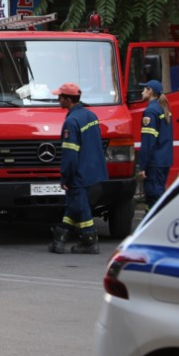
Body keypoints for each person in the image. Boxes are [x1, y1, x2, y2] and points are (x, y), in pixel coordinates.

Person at [47, 83, 108, 254]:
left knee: (81, 207)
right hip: (94, 170)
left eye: (60, 97)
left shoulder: (71, 122)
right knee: (74, 204)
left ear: (68, 100)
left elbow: (70, 154)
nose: (58, 100)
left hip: (79, 173)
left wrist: (65, 177)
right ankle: (60, 238)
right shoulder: (91, 115)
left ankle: (90, 241)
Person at [138, 79, 173, 210]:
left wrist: (142, 166)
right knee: (159, 193)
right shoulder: (162, 109)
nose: (142, 92)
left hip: (154, 163)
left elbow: (148, 142)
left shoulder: (150, 111)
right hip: (164, 160)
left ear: (150, 91)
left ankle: (159, 220)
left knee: (154, 197)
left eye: (144, 89)